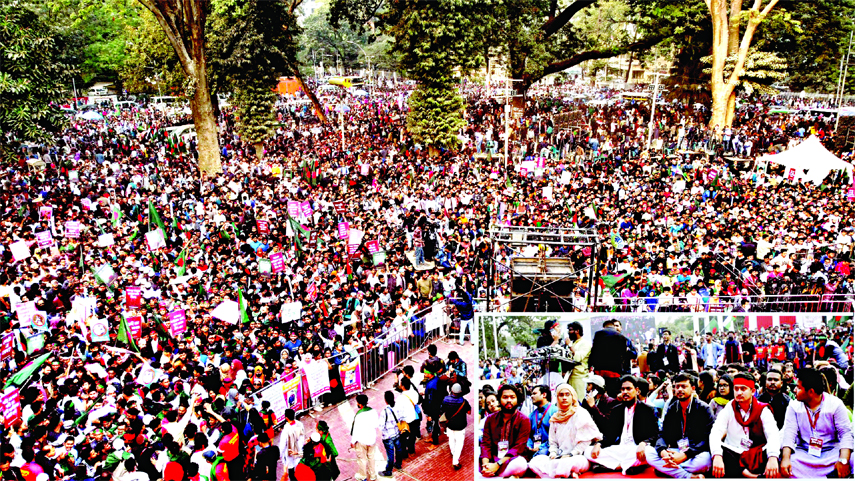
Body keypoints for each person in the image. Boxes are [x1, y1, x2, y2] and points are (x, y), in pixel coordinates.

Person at [780, 367, 853, 478]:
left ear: (811, 392)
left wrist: (843, 461)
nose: (794, 390)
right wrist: (785, 459)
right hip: (804, 454)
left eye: (798, 388)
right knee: (787, 462)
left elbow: (846, 434)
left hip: (831, 453)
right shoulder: (794, 406)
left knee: (852, 459)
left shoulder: (835, 404)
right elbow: (789, 433)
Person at [709, 373, 781, 478]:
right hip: (734, 452)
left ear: (753, 391)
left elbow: (773, 434)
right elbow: (716, 431)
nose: (739, 392)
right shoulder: (730, 407)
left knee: (773, 450)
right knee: (722, 452)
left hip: (756, 453)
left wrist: (773, 457)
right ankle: (754, 477)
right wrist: (717, 455)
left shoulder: (762, 410)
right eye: (736, 389)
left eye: (743, 389)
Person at [645, 372, 715, 479]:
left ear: (692, 388)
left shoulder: (703, 408)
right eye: (677, 387)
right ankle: (687, 476)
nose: (679, 390)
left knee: (705, 460)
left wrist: (685, 455)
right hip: (675, 451)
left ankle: (666, 469)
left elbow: (706, 439)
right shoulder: (672, 408)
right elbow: (662, 434)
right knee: (648, 452)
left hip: (693, 452)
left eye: (683, 386)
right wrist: (663, 452)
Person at [586, 375, 658, 475]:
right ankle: (628, 466)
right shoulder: (617, 410)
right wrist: (599, 444)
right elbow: (610, 435)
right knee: (588, 451)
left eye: (628, 389)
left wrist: (643, 443)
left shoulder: (647, 410)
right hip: (621, 449)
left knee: (648, 452)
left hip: (637, 448)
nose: (625, 392)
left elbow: (655, 434)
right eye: (623, 389)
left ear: (637, 391)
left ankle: (615, 466)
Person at [528, 384, 601, 479]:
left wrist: (570, 454)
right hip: (559, 457)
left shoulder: (581, 413)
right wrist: (553, 454)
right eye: (561, 395)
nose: (564, 398)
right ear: (557, 398)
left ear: (573, 397)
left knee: (568, 463)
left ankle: (556, 474)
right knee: (535, 461)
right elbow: (553, 442)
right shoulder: (555, 417)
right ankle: (567, 473)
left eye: (567, 394)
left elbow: (585, 441)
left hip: (577, 456)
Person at [480, 384, 531, 478]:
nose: (509, 400)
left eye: (512, 397)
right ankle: (492, 472)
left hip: (512, 460)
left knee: (520, 464)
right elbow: (486, 444)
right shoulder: (490, 419)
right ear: (499, 399)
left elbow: (518, 447)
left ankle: (499, 474)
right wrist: (485, 465)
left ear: (517, 399)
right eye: (505, 397)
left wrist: (498, 464)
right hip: (494, 459)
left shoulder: (524, 420)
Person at [589, 320, 633, 398]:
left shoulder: (598, 334)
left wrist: (590, 365)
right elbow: (624, 355)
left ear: (604, 327)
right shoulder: (621, 337)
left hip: (600, 370)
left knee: (599, 393)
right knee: (613, 394)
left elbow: (594, 351)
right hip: (614, 371)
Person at [440, 383, 471, 470]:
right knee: (459, 443)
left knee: (451, 439)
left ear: (451, 390)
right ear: (460, 391)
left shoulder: (445, 399)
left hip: (449, 424)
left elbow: (441, 410)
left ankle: (453, 452)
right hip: (460, 425)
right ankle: (455, 462)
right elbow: (469, 412)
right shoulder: (464, 402)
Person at [351, 394, 380, 481]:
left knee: (362, 459)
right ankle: (373, 475)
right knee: (371, 457)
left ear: (359, 403)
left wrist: (353, 441)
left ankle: (363, 476)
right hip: (372, 439)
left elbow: (355, 430)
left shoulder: (358, 415)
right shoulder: (373, 411)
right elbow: (376, 425)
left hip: (362, 440)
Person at [526, 385, 558, 459]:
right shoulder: (531, 415)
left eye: (534, 393)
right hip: (534, 450)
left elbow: (557, 436)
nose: (531, 396)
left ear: (544, 395)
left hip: (551, 450)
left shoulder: (555, 411)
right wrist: (529, 446)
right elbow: (528, 435)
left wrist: (541, 447)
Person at [380, 391, 403, 477]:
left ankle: (389, 471)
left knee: (390, 454)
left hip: (388, 436)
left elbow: (381, 426)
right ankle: (398, 464)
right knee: (399, 450)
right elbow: (401, 418)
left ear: (385, 400)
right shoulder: (398, 407)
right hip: (397, 433)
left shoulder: (384, 412)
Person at [565, 321, 591, 399]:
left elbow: (578, 357)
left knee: (579, 400)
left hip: (579, 378)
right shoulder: (574, 343)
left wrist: (569, 345)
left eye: (570, 330)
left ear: (577, 331)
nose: (569, 332)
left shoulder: (585, 343)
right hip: (570, 376)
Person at [280, 409, 305, 481]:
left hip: (290, 453)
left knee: (291, 471)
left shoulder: (286, 430)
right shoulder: (300, 424)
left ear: (286, 418)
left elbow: (282, 445)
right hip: (299, 450)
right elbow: (302, 437)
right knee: (299, 468)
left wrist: (280, 455)